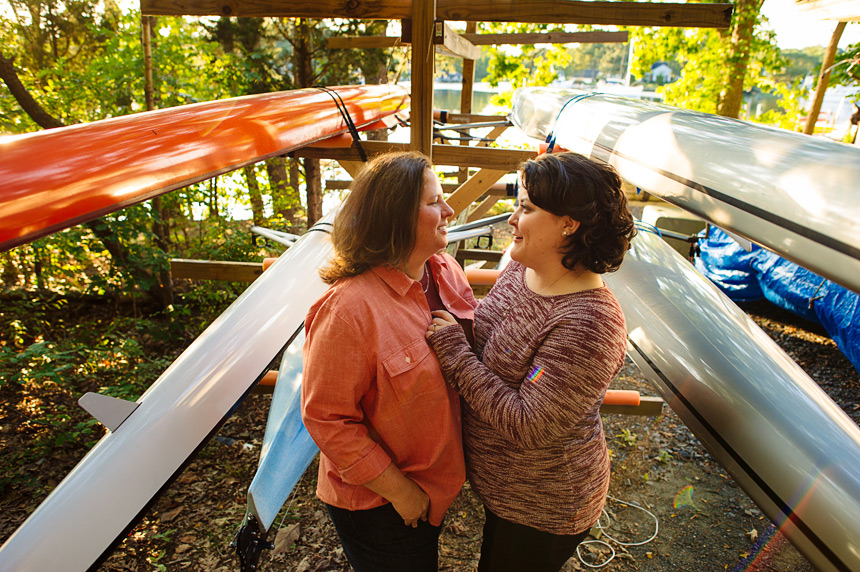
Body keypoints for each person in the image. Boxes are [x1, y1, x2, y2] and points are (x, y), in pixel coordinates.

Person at [425, 151, 636, 572]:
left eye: (526, 208)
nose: (511, 219)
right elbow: (492, 341)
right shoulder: (522, 269)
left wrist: (453, 351)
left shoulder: (589, 323)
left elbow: (529, 421)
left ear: (568, 224)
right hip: (504, 488)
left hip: (543, 506)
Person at [301, 151, 478, 572]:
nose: (449, 210)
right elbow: (326, 418)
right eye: (434, 201)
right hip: (381, 504)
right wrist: (401, 492)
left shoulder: (444, 270)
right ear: (395, 216)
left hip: (432, 488)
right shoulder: (348, 310)